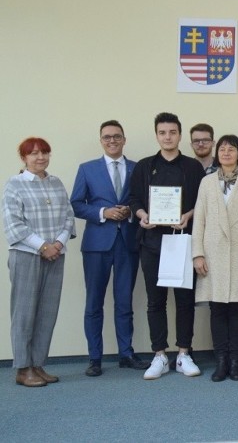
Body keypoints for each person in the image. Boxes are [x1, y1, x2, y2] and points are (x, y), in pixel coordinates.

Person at [128, 112, 206, 380]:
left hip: (183, 242)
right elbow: (134, 199)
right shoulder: (144, 166)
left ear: (180, 135)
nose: (168, 137)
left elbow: (203, 202)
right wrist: (142, 215)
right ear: (157, 135)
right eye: (163, 133)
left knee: (184, 301)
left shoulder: (193, 167)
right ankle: (159, 355)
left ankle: (184, 354)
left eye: (172, 132)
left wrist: (189, 215)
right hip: (152, 243)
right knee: (155, 302)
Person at [70, 120, 147, 378]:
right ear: (101, 140)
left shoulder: (138, 168)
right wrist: (103, 211)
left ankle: (126, 353)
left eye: (117, 136)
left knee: (124, 301)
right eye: (107, 137)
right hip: (96, 245)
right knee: (94, 303)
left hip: (127, 242)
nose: (112, 141)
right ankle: (95, 358)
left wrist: (131, 212)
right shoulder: (87, 169)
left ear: (124, 139)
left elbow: (145, 201)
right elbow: (77, 204)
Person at [3, 137, 75, 387]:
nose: (40, 157)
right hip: (27, 255)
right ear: (23, 157)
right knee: (24, 312)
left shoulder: (56, 183)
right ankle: (23, 368)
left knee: (47, 311)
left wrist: (57, 244)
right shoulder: (15, 184)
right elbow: (14, 224)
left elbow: (68, 216)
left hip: (55, 254)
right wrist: (43, 246)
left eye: (44, 152)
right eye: (33, 153)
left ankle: (37, 364)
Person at [192, 135, 238, 381]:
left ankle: (235, 362)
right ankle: (220, 361)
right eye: (222, 148)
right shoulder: (207, 182)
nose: (226, 152)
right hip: (213, 253)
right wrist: (197, 254)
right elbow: (199, 219)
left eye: (231, 149)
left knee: (237, 309)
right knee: (217, 308)